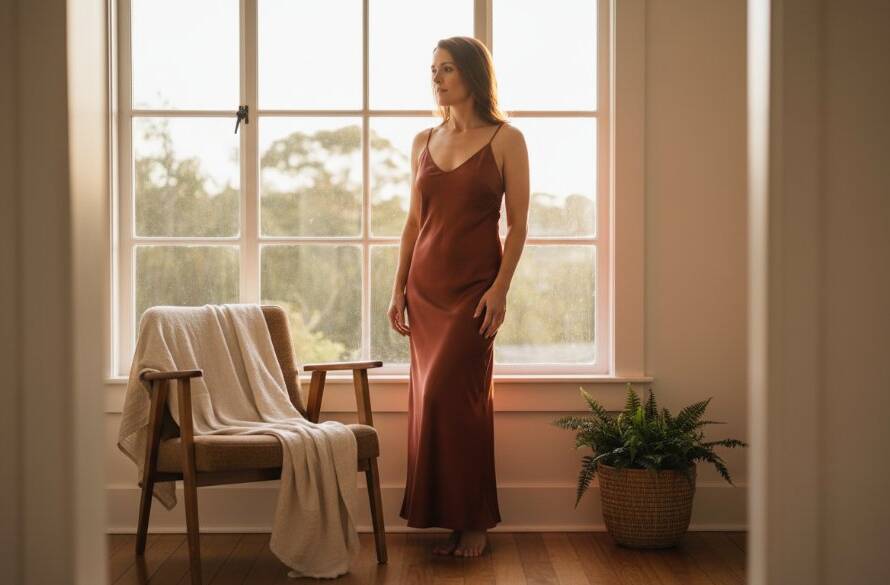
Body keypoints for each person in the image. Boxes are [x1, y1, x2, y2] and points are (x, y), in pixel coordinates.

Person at [387, 36, 530, 558]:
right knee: (431, 402)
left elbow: (517, 227)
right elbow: (412, 221)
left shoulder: (506, 139)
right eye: (433, 70)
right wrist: (398, 286)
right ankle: (445, 516)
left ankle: (473, 522)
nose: (437, 78)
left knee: (460, 400)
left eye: (446, 69)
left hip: (474, 292)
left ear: (472, 75)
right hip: (425, 290)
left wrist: (500, 290)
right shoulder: (423, 139)